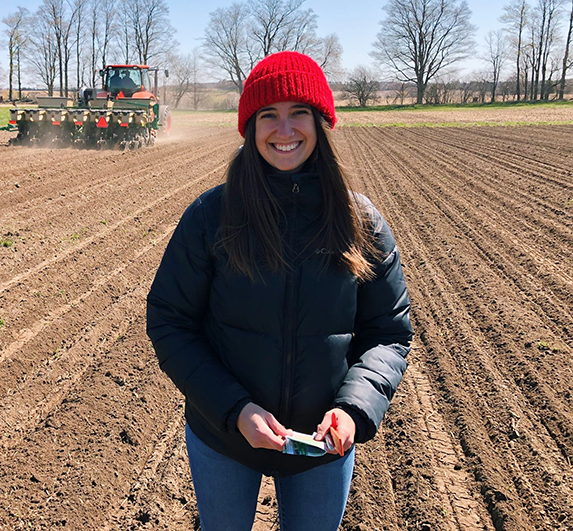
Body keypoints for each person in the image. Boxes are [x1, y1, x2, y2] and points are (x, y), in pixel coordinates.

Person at [146, 50, 412, 531]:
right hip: (224, 437)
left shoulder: (362, 222)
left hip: (321, 447)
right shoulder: (212, 217)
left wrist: (353, 408)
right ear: (250, 127)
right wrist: (234, 410)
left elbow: (388, 333)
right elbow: (170, 320)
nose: (284, 131)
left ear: (321, 122)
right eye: (269, 115)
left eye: (299, 114)